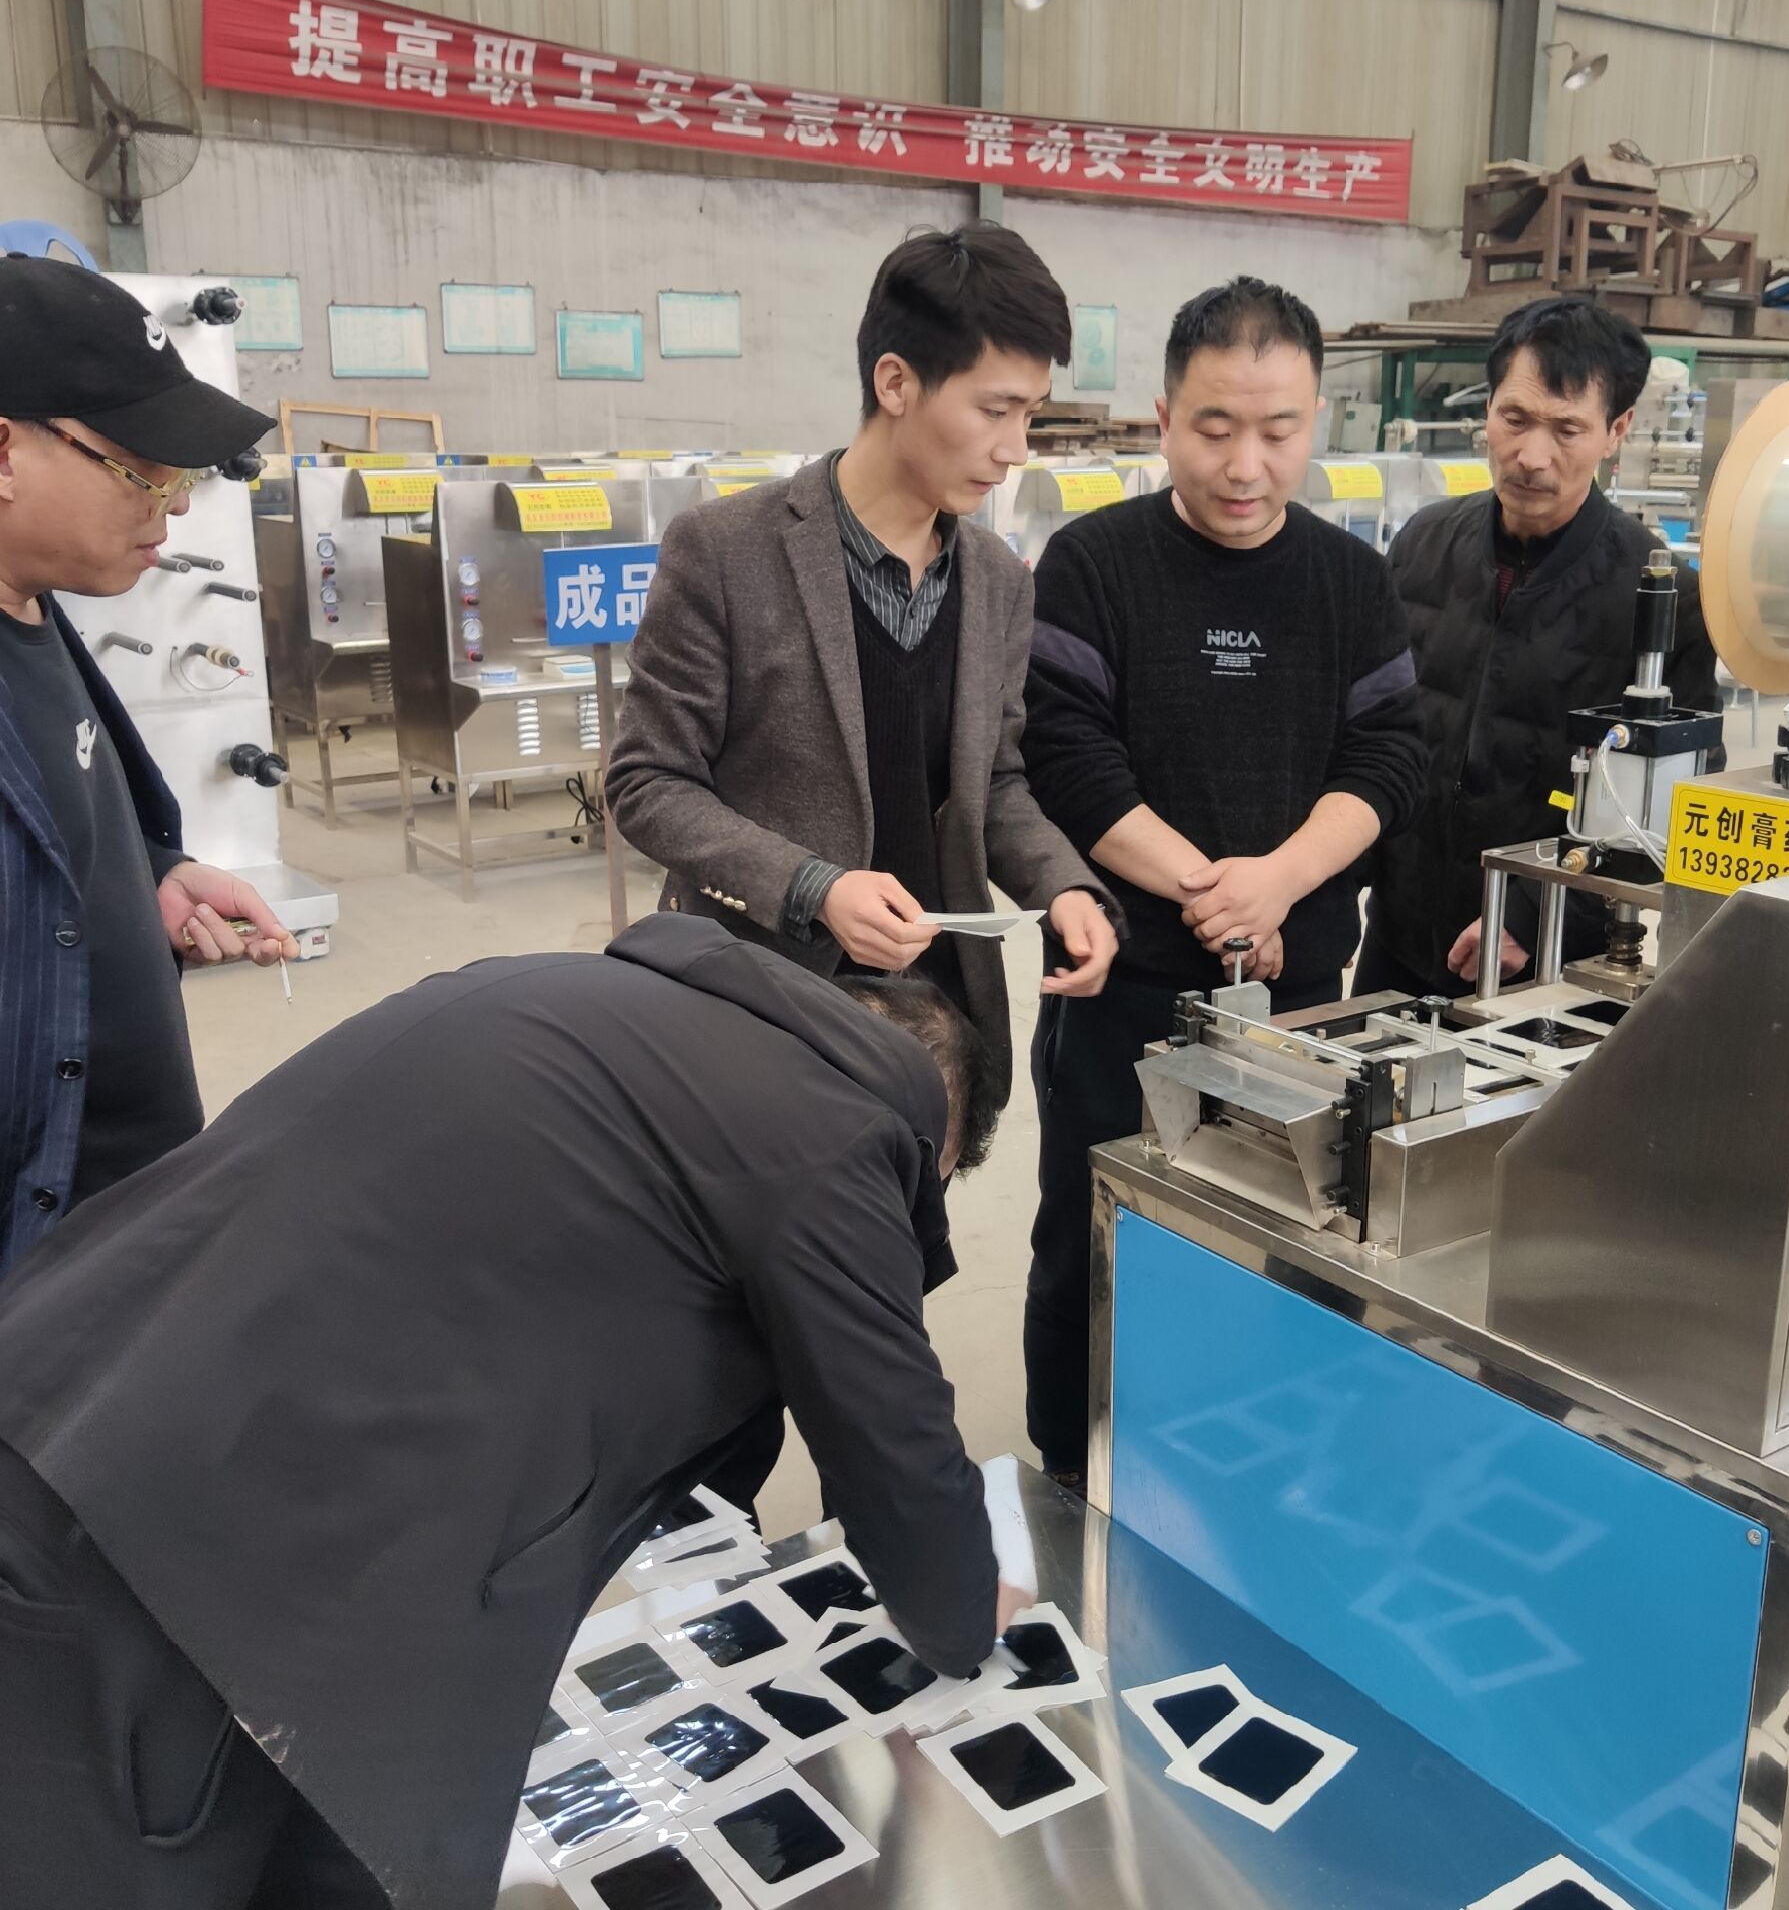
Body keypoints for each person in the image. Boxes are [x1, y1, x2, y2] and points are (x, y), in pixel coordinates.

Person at [0, 913, 1031, 1908]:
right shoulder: (841, 1128)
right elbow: (891, 1441)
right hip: (164, 1561)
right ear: (936, 1137)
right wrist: (959, 1613)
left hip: (61, 1382)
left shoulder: (551, 988)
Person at [1019, 277, 1427, 1488]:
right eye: (1214, 428)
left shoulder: (1350, 580)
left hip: (1296, 1002)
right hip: (1122, 989)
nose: (1246, 465)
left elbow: (1389, 757)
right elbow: (1065, 754)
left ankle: (1245, 1471)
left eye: (1279, 430)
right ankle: (1075, 1466)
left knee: (1285, 1243)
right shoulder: (1093, 563)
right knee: (1094, 1232)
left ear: (1317, 424)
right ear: (1163, 418)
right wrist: (1220, 895)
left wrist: (1283, 883)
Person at [606, 221, 1119, 1112]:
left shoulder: (997, 581)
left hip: (933, 1028)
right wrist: (814, 889)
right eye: (994, 410)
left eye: (1031, 414)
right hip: (760, 1008)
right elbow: (648, 781)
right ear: (896, 382)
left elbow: (993, 783)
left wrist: (1063, 885)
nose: (1015, 449)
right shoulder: (727, 551)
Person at [0, 255, 297, 1276]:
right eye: (144, 472)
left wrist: (151, 879)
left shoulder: (36, 612)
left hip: (117, 1221)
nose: (170, 509)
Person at [1357, 298, 1722, 998]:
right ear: (1488, 409)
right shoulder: (1421, 548)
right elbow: (1370, 731)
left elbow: (1674, 801)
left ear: (1617, 430)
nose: (1531, 456)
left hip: (1549, 954)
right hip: (1399, 934)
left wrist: (1529, 912)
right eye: (1515, 418)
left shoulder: (1660, 594)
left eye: (1567, 429)